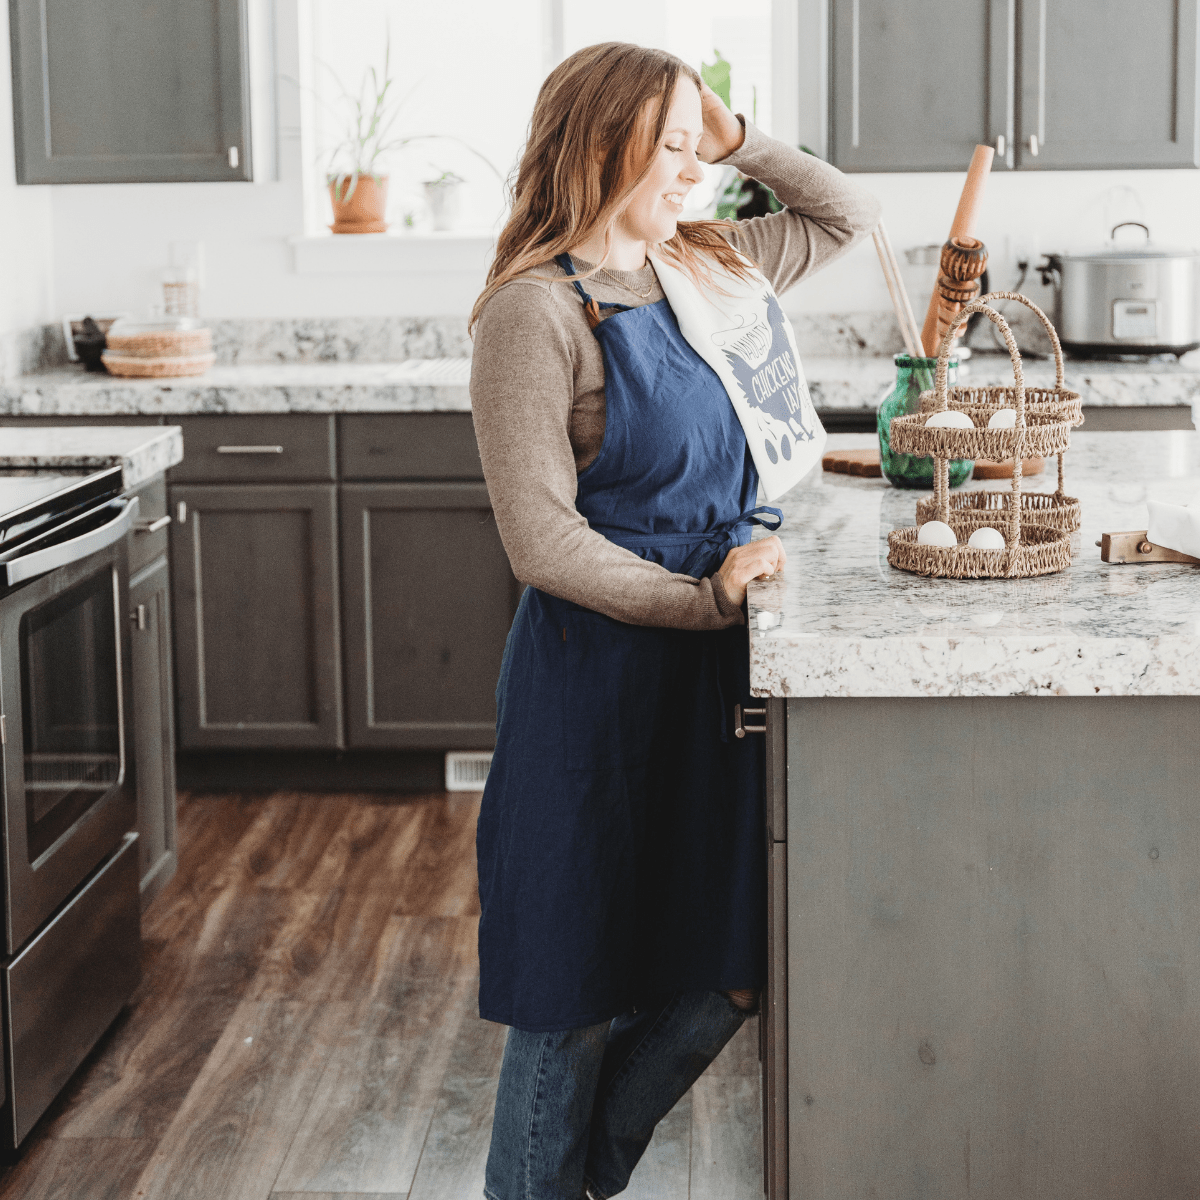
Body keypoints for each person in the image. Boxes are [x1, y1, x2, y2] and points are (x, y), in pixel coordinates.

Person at [468, 41, 880, 1200]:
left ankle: (582, 1166)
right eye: (672, 148)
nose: (696, 171)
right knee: (573, 990)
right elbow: (541, 543)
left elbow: (845, 215)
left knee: (731, 962)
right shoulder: (533, 314)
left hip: (716, 667)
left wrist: (734, 131)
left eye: (701, 147)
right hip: (593, 679)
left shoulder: (708, 262)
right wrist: (701, 600)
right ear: (601, 145)